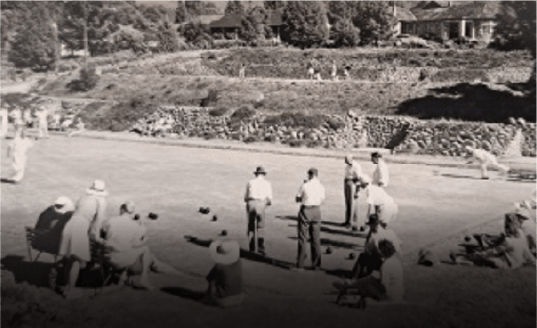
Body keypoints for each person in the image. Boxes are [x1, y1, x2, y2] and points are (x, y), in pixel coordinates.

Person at [101, 201, 180, 290]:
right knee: (145, 249)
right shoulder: (134, 225)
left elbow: (103, 233)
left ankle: (123, 275)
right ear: (132, 212)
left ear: (121, 210)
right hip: (121, 261)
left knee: (126, 249)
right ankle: (144, 278)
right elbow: (136, 244)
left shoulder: (110, 221)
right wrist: (144, 236)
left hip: (106, 259)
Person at [58, 180, 108, 299]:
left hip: (69, 226)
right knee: (75, 260)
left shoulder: (83, 198)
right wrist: (97, 238)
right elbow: (98, 221)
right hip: (80, 228)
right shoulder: (101, 201)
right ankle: (70, 291)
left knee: (70, 260)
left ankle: (67, 287)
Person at [450, 214, 537, 269]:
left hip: (507, 265)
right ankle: (462, 258)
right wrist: (535, 263)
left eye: (506, 225)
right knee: (483, 257)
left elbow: (493, 251)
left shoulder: (508, 241)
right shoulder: (521, 235)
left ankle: (460, 260)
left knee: (483, 259)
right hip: (518, 263)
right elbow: (527, 253)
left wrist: (479, 253)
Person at [334, 239, 404, 304]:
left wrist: (374, 278)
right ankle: (349, 286)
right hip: (399, 295)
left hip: (389, 296)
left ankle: (348, 287)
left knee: (368, 282)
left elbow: (384, 284)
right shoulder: (396, 261)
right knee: (370, 280)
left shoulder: (386, 264)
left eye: (380, 250)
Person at [350, 214, 402, 279]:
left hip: (384, 263)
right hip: (396, 261)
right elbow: (400, 244)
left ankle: (354, 278)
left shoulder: (374, 237)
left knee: (362, 257)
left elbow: (367, 250)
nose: (369, 227)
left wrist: (369, 235)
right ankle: (363, 275)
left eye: (370, 225)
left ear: (374, 225)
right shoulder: (390, 231)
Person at [295, 168, 325, 271]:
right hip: (316, 210)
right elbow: (322, 198)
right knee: (316, 238)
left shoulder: (305, 185)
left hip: (306, 209)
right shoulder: (320, 186)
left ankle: (300, 264)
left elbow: (297, 199)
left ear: (309, 175)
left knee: (303, 237)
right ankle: (316, 264)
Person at [202, 239, 245, 308]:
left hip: (225, 301)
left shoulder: (219, 266)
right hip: (240, 296)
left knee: (213, 281)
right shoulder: (238, 262)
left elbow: (209, 279)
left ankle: (208, 299)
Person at [244, 166, 273, 255]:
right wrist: (265, 204)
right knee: (261, 227)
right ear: (263, 174)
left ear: (256, 174)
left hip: (251, 203)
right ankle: (261, 247)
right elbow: (269, 200)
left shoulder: (250, 182)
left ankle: (251, 247)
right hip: (261, 203)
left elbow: (245, 198)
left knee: (251, 225)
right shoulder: (267, 183)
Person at [343, 155, 362, 230]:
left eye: (347, 160)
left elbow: (358, 179)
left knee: (351, 203)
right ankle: (347, 220)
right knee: (347, 202)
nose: (346, 161)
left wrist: (357, 191)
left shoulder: (356, 166)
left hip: (352, 183)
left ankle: (351, 222)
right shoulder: (347, 166)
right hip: (346, 182)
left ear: (351, 159)